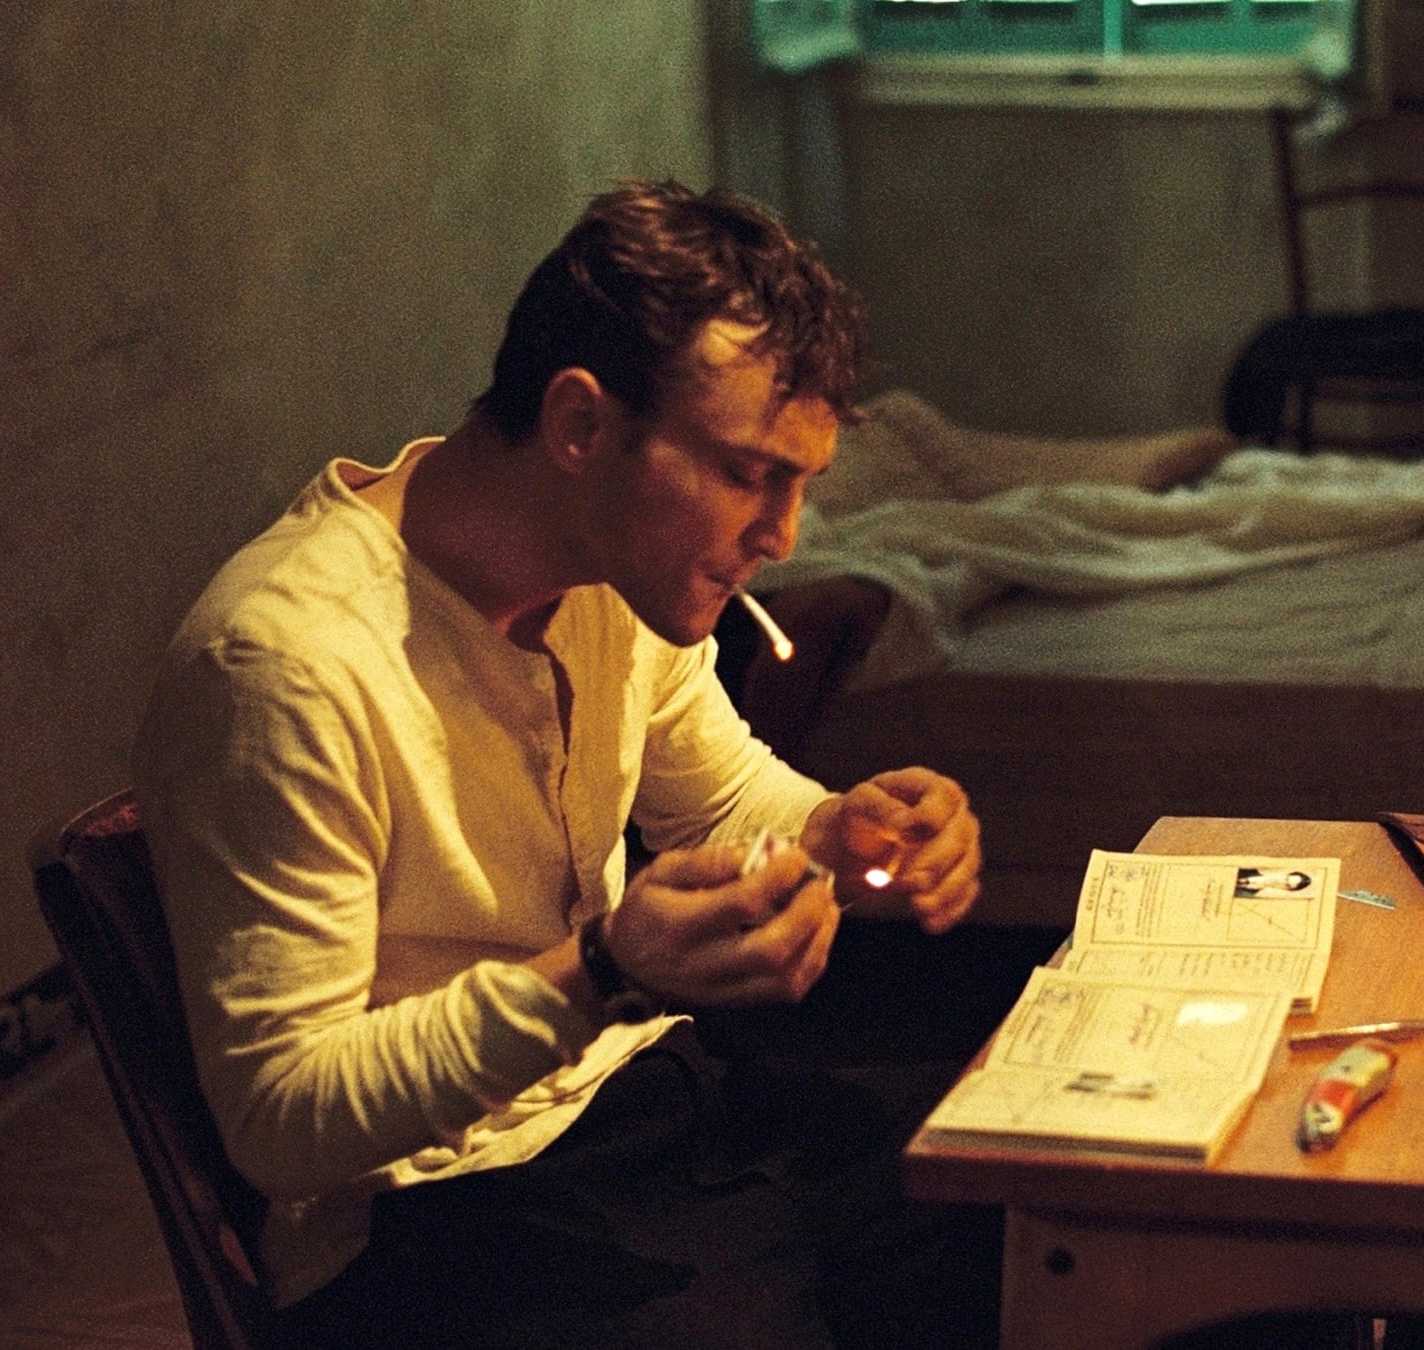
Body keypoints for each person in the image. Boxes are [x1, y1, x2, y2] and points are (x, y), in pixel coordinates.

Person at [133, 180, 1009, 1348]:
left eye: (802, 484)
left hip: (636, 1098)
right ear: (582, 426)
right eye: (749, 473)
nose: (783, 535)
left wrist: (838, 833)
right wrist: (600, 970)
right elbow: (284, 1119)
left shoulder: (615, 577)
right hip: (433, 1215)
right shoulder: (284, 664)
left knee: (1028, 1200)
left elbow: (722, 799)